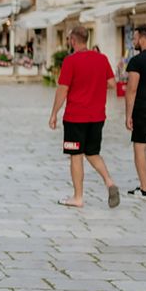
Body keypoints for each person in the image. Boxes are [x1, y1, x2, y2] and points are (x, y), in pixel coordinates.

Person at [49, 25, 119, 208]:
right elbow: (112, 83)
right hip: (97, 116)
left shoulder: (70, 61)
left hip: (75, 117)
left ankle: (78, 197)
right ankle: (109, 181)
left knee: (76, 155)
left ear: (73, 40)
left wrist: (54, 113)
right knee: (93, 152)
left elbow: (62, 90)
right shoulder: (102, 59)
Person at [125, 24, 146, 200]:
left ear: (142, 38)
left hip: (143, 110)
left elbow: (131, 89)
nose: (133, 41)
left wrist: (128, 115)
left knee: (140, 148)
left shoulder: (137, 61)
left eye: (134, 38)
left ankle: (144, 189)